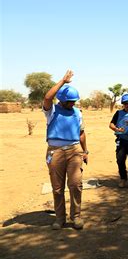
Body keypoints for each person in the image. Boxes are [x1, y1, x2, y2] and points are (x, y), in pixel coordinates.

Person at [43, 70, 88, 230]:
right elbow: (48, 97)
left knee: (76, 184)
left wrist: (85, 151)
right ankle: (59, 219)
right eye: (70, 101)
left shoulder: (77, 112)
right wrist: (63, 81)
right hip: (55, 152)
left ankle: (76, 217)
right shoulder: (52, 111)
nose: (73, 103)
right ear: (61, 100)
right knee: (57, 188)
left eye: (74, 101)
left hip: (75, 150)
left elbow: (81, 133)